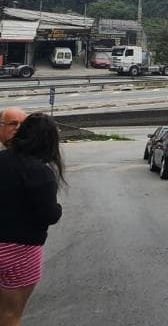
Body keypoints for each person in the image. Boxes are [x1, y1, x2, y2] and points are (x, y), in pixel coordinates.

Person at [0, 113, 64, 326]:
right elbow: (50, 215)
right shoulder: (41, 173)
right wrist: (59, 209)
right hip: (21, 252)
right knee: (10, 314)